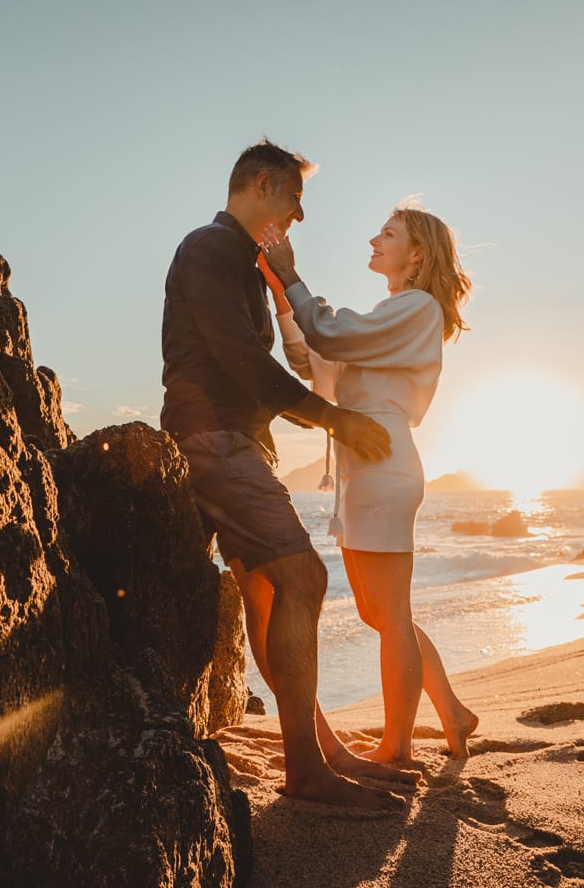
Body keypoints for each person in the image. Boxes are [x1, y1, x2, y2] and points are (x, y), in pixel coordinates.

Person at [161, 141, 413, 810]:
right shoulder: (209, 248)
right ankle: (305, 767)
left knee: (268, 599)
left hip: (234, 438)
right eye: (295, 199)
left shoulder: (240, 261)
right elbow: (241, 360)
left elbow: (277, 357)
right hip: (215, 439)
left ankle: (321, 751)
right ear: (264, 185)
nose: (299, 215)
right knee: (305, 577)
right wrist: (334, 420)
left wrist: (282, 285)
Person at [257, 201, 479, 762]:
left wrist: (292, 276)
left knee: (389, 614)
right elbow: (318, 366)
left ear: (418, 253)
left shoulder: (417, 308)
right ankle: (452, 712)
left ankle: (397, 745)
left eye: (388, 234)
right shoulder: (389, 315)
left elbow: (332, 334)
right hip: (364, 468)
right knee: (379, 612)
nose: (374, 241)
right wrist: (285, 300)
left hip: (384, 467)